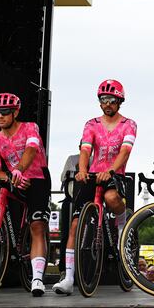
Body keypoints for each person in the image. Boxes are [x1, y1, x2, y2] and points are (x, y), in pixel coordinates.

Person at [54, 80, 137, 295]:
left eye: (111, 100)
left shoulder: (129, 124)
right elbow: (85, 149)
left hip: (113, 173)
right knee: (74, 225)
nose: (107, 104)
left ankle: (121, 226)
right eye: (103, 100)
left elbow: (125, 152)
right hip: (92, 174)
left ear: (119, 102)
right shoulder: (91, 124)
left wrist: (110, 170)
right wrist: (82, 170)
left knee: (111, 198)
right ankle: (69, 278)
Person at [0, 93, 51, 296]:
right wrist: (10, 177)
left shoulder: (30, 127)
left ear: (15, 112)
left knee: (37, 226)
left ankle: (36, 279)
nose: (0, 117)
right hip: (13, 178)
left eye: (4, 113)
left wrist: (19, 169)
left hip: (37, 178)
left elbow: (31, 150)